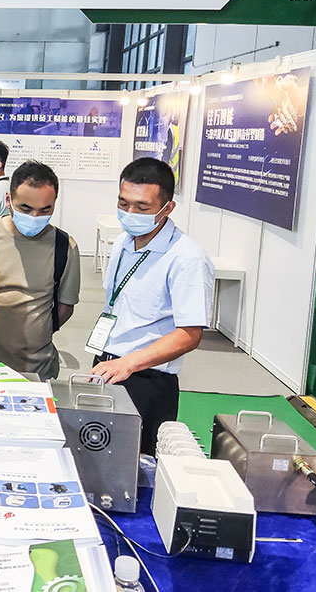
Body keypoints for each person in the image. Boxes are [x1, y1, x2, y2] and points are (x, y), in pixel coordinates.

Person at [90, 157, 215, 455]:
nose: (130, 213)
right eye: (123, 203)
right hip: (108, 366)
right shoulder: (123, 242)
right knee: (95, 454)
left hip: (148, 380)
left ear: (167, 208)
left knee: (137, 464)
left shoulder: (186, 259)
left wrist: (129, 363)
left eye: (142, 207)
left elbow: (189, 335)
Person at [0, 161, 80, 380]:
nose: (35, 217)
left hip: (38, 368)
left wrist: (39, 331)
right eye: (25, 208)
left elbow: (65, 307)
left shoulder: (64, 247)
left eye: (45, 210)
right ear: (8, 200)